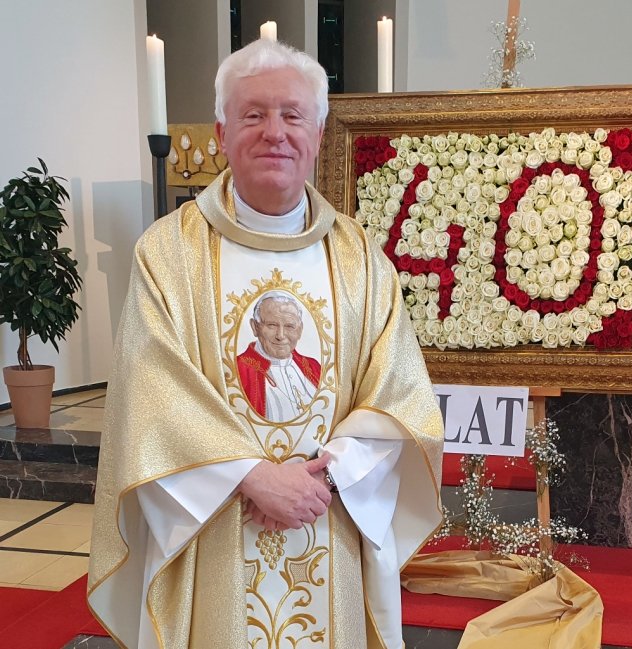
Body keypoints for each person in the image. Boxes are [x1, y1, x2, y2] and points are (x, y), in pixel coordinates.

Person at [88, 38, 444, 649]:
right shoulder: (169, 253)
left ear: (320, 134)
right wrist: (254, 477)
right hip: (215, 530)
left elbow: (400, 393)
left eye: (292, 115)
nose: (274, 132)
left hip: (325, 517)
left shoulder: (360, 260)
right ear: (223, 131)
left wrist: (323, 481)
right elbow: (152, 391)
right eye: (254, 115)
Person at [237, 291, 320, 420]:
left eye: (289, 326)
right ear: (255, 327)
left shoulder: (313, 367)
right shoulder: (238, 370)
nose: (280, 336)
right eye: (272, 325)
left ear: (300, 330)